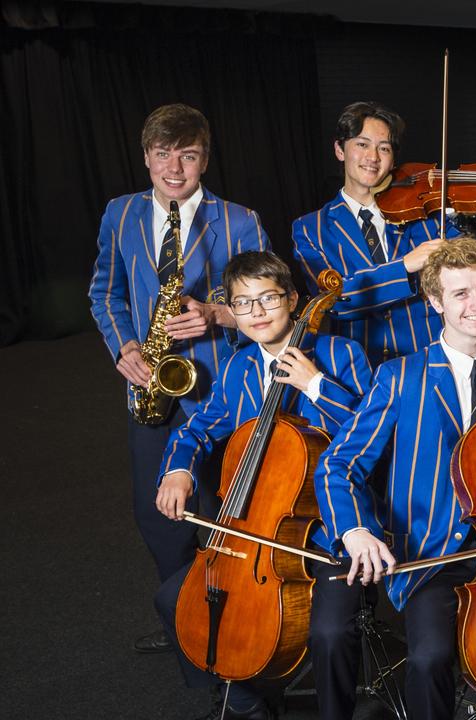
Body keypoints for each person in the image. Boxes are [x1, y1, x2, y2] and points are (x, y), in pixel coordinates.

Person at [315, 237, 476, 719]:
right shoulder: (400, 376)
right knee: (429, 657)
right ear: (435, 301)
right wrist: (355, 532)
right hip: (434, 555)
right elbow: (339, 464)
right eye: (460, 294)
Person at [151, 250, 372, 720]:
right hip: (254, 533)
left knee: (330, 633)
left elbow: (374, 433)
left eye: (268, 299)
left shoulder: (340, 355)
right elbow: (196, 430)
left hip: (329, 532)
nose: (257, 313)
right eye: (243, 303)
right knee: (172, 598)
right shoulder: (239, 367)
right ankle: (249, 703)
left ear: (293, 299)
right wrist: (178, 470)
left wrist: (316, 386)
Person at [88, 103, 269, 655]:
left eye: (187, 155)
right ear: (146, 157)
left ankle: (240, 623)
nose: (174, 167)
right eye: (163, 154)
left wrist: (218, 314)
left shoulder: (239, 220)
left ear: (204, 160)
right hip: (151, 386)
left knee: (223, 507)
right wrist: (125, 345)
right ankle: (186, 613)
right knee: (157, 515)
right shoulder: (120, 214)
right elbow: (106, 292)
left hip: (221, 390)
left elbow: (268, 306)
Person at [293, 101, 476, 366]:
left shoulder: (426, 218)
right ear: (340, 150)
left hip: (430, 364)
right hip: (360, 369)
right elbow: (338, 303)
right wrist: (405, 266)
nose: (373, 157)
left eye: (384, 148)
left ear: (393, 160)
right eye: (362, 144)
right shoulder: (311, 228)